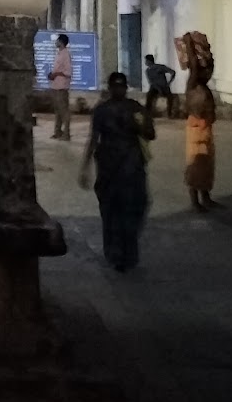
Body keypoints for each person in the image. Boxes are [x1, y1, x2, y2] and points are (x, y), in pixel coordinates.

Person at [79, 72, 155, 271]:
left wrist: (85, 167)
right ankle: (121, 253)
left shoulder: (122, 109)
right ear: (113, 88)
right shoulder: (113, 110)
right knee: (120, 212)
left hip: (125, 168)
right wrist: (85, 167)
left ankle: (120, 252)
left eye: (121, 87)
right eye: (118, 87)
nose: (120, 90)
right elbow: (94, 140)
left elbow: (149, 132)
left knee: (122, 211)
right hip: (116, 169)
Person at [180, 35, 217, 210]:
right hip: (196, 130)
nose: (210, 73)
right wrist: (188, 44)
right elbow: (194, 66)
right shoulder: (193, 84)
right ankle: (195, 201)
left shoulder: (203, 86)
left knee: (207, 165)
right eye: (207, 70)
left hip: (206, 128)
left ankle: (206, 197)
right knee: (195, 165)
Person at [48, 33, 73, 141]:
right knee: (58, 111)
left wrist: (56, 74)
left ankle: (66, 134)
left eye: (57, 40)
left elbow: (68, 72)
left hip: (61, 87)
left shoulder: (66, 54)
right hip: (56, 85)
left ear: (61, 42)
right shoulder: (59, 54)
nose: (56, 42)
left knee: (63, 111)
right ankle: (57, 132)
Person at [143, 54, 177, 119]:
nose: (145, 62)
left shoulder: (159, 67)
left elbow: (172, 72)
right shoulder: (148, 71)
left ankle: (169, 113)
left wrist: (169, 82)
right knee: (149, 95)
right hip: (155, 87)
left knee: (170, 97)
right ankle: (147, 113)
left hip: (163, 86)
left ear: (149, 61)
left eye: (146, 61)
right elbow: (151, 82)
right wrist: (159, 89)